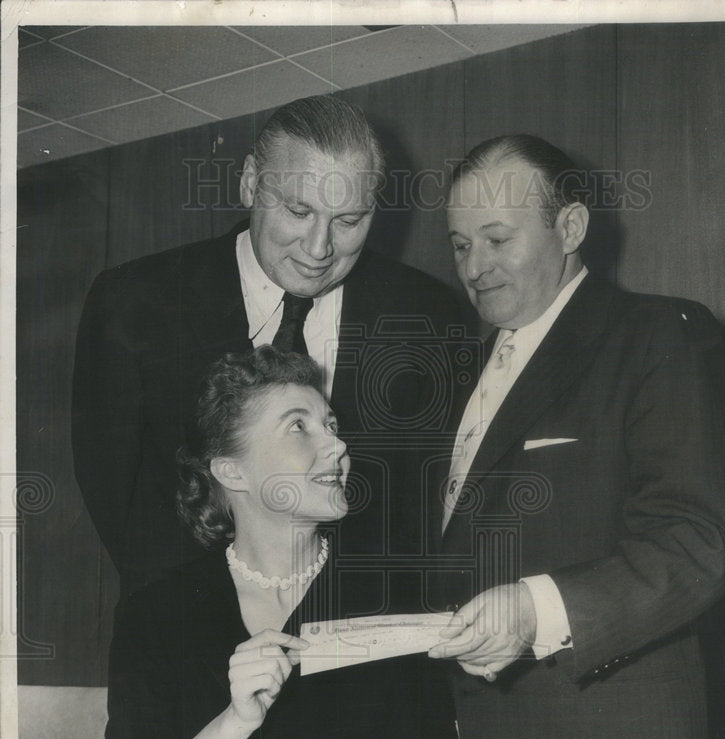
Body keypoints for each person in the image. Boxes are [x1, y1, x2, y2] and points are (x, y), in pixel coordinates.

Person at [427, 134, 725, 739]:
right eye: (460, 244)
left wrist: (535, 610)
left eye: (498, 239)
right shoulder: (459, 373)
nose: (475, 267)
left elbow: (698, 545)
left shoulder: (660, 336)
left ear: (569, 229)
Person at [72, 95, 463, 598]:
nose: (319, 248)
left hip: (358, 645)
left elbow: (415, 508)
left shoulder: (426, 314)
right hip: (188, 632)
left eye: (348, 221)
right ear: (251, 182)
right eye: (299, 211)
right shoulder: (134, 302)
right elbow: (115, 491)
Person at [100, 347, 459, 739]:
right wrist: (234, 723)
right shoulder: (157, 611)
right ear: (231, 471)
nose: (336, 445)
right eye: (299, 427)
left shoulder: (390, 598)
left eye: (331, 425)